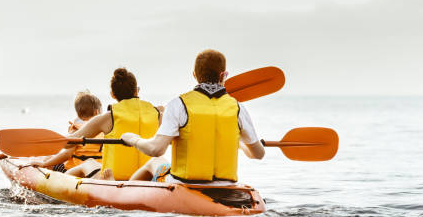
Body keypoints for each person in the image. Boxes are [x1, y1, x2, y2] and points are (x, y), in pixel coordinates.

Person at [122, 49, 265, 184]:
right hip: (226, 187)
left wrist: (133, 139)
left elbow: (155, 149)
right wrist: (239, 144)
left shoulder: (179, 104)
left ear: (194, 75)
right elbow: (258, 154)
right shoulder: (238, 108)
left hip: (185, 186)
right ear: (223, 75)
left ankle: (123, 194)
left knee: (155, 161)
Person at [66, 68, 162, 180]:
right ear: (137, 91)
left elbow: (68, 143)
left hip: (115, 178)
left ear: (112, 94)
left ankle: (59, 180)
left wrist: (68, 135)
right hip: (146, 174)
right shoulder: (157, 114)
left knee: (89, 162)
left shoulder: (107, 118)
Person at [29, 91, 104, 178]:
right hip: (96, 168)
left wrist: (45, 164)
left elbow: (67, 154)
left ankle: (47, 179)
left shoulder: (76, 129)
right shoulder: (104, 130)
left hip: (74, 169)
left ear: (78, 114)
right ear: (97, 112)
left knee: (48, 159)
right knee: (51, 158)